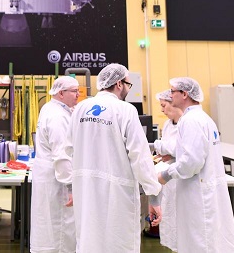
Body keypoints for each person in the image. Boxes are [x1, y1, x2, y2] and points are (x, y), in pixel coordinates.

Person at [66, 63, 162, 253]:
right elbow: (140, 157)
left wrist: (70, 184)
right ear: (119, 83)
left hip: (85, 189)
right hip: (118, 193)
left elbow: (68, 149)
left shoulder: (80, 109)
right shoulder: (125, 110)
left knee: (89, 240)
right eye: (128, 84)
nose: (128, 89)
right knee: (118, 243)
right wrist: (154, 197)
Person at [157, 77, 234, 253]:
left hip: (197, 194)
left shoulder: (190, 120)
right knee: (207, 240)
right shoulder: (203, 118)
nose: (170, 96)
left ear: (184, 94)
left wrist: (165, 176)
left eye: (172, 92)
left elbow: (191, 163)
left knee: (199, 242)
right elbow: (195, 152)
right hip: (205, 190)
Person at [30, 76, 80, 253]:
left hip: (49, 177)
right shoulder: (58, 116)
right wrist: (71, 187)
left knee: (49, 227)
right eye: (75, 91)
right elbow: (62, 155)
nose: (78, 95)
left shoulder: (51, 108)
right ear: (61, 93)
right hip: (58, 181)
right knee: (61, 229)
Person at [151, 89, 182, 252]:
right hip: (169, 178)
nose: (162, 110)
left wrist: (157, 146)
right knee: (171, 218)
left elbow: (182, 150)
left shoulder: (188, 122)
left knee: (184, 222)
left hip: (184, 179)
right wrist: (165, 154)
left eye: (164, 105)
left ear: (174, 103)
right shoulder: (168, 124)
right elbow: (170, 149)